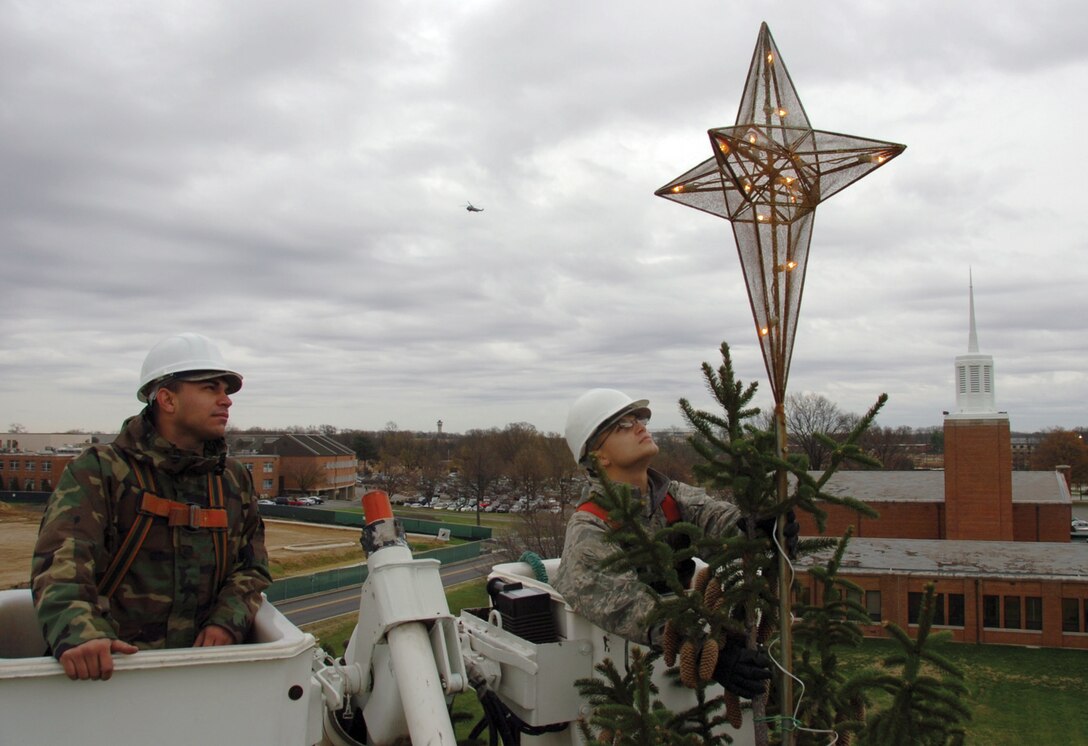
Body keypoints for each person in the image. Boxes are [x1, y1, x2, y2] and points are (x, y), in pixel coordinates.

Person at [31, 332, 271, 681]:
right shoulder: (100, 469)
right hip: (110, 675)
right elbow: (61, 562)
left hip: (203, 674)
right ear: (167, 400)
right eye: (210, 388)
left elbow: (252, 568)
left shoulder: (232, 479)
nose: (226, 401)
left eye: (226, 390)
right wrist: (81, 632)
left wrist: (227, 622)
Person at [552, 388, 795, 698]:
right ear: (598, 455)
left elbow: (717, 519)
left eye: (638, 418)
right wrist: (709, 649)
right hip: (630, 685)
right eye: (623, 425)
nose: (640, 426)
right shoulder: (589, 528)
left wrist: (761, 527)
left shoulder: (670, 497)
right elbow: (626, 605)